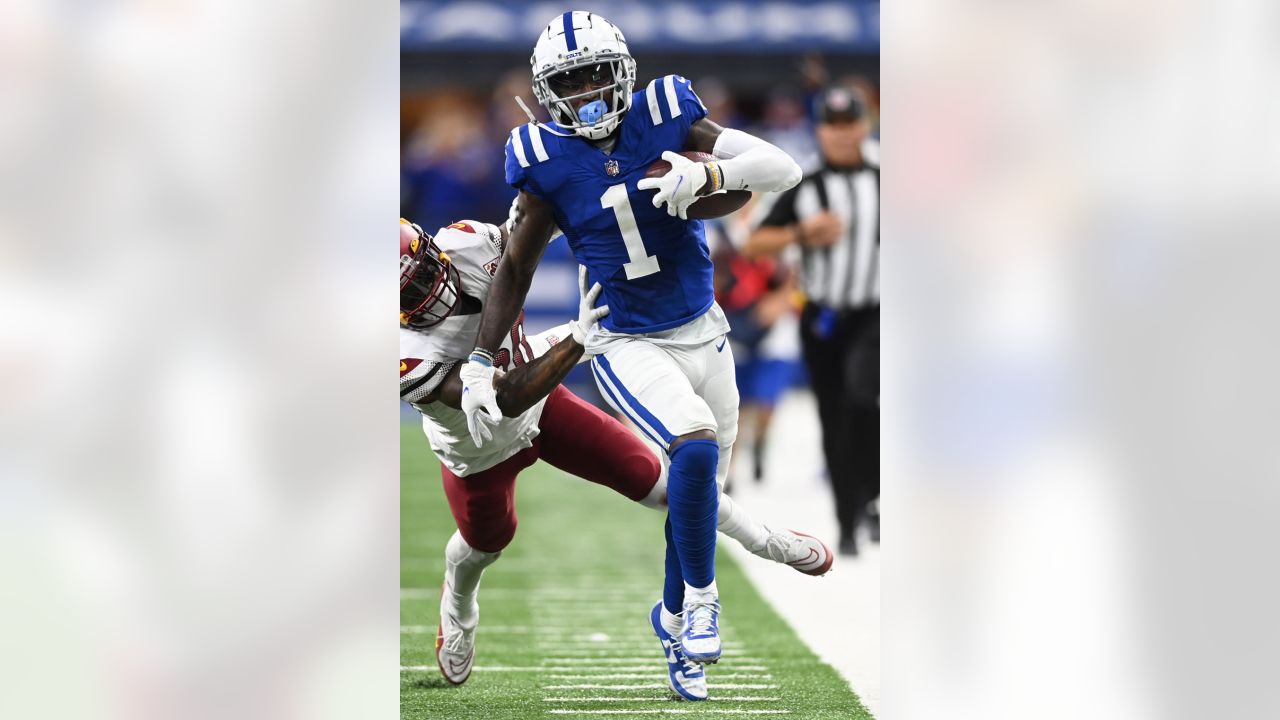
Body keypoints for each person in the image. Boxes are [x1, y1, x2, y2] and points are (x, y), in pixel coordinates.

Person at [457, 10, 803, 682]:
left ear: (622, 71)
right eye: (571, 82)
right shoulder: (544, 160)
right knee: (693, 444)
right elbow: (517, 266)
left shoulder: (667, 111)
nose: (587, 93)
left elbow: (781, 168)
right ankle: (704, 605)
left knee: (698, 493)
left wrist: (710, 178)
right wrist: (479, 359)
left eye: (595, 76)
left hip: (705, 328)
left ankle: (672, 622)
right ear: (547, 91)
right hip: (622, 338)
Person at [399, 219, 831, 699]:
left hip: (539, 388)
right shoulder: (401, 353)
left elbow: (538, 223)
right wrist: (575, 342)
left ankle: (767, 541)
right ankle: (459, 604)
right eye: (406, 293)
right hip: (478, 443)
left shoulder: (468, 242)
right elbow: (503, 399)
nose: (425, 291)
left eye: (419, 272)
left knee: (661, 484)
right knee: (488, 542)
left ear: (431, 248)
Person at [744, 86, 880, 556]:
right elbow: (753, 242)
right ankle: (847, 520)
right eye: (832, 126)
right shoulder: (803, 180)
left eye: (850, 124)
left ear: (866, 124)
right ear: (819, 129)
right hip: (822, 317)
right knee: (834, 417)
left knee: (866, 398)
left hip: (875, 312)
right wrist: (803, 232)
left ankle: (874, 494)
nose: (842, 135)